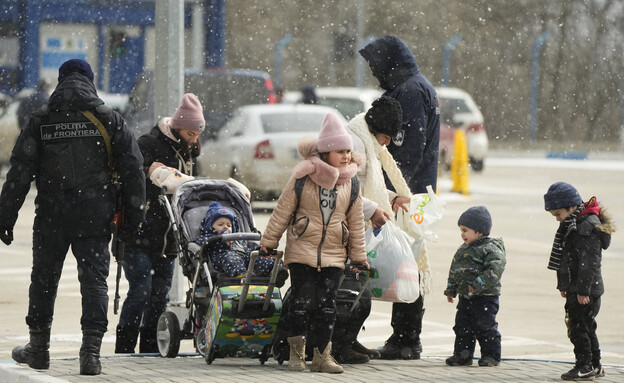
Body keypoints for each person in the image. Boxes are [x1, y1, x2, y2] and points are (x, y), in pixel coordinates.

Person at [0, 59, 145, 375]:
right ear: (90, 82)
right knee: (94, 282)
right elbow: (134, 171)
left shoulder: (41, 120)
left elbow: (20, 172)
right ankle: (90, 355)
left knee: (44, 279)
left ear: (61, 82)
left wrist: (5, 217)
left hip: (52, 215)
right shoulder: (109, 120)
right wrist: (134, 221)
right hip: (95, 217)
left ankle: (38, 349)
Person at [260, 112, 368, 373]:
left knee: (327, 308)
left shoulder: (351, 182)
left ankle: (322, 356)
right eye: (339, 151)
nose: (346, 156)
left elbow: (356, 221)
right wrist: (269, 241)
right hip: (302, 252)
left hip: (333, 254)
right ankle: (297, 354)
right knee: (300, 304)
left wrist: (359, 255)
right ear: (325, 152)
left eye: (348, 151)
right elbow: (283, 210)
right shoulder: (303, 176)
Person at [360, 34, 440, 360]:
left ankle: (407, 339)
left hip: (409, 194)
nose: (374, 72)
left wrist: (396, 192)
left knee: (408, 264)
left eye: (375, 65)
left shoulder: (409, 92)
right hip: (416, 191)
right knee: (410, 262)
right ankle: (405, 338)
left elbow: (408, 149)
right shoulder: (414, 86)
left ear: (389, 63)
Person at [115, 93, 204, 354]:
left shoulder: (189, 152)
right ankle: (124, 348)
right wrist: (154, 177)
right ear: (178, 127)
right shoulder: (149, 143)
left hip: (170, 237)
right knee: (141, 291)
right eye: (191, 133)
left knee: (159, 297)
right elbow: (131, 177)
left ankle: (150, 350)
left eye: (197, 135)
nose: (194, 139)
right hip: (139, 233)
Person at [331, 95, 411, 364]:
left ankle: (347, 340)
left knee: (358, 290)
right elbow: (344, 189)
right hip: (342, 229)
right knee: (356, 293)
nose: (388, 143)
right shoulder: (354, 145)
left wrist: (389, 197)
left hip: (354, 226)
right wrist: (372, 209)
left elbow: (365, 186)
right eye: (386, 136)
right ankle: (339, 345)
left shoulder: (366, 142)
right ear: (376, 129)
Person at [543, 182, 614, 381]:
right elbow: (567, 259)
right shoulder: (572, 224)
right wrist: (565, 286)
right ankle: (595, 365)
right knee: (586, 327)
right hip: (578, 288)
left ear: (572, 207)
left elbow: (589, 263)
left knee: (578, 328)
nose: (557, 219)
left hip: (586, 290)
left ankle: (585, 365)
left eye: (558, 214)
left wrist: (583, 290)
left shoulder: (585, 226)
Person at [443, 206, 506, 367]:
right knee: (463, 327)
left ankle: (491, 355)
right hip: (465, 297)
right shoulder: (463, 249)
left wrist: (479, 284)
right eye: (461, 230)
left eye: (465, 230)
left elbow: (495, 269)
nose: (462, 234)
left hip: (485, 298)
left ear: (479, 231)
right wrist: (451, 288)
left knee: (485, 326)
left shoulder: (490, 248)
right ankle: (462, 355)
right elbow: (455, 270)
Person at [196, 201, 287, 286]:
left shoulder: (237, 239)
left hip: (243, 257)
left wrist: (258, 251)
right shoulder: (209, 238)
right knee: (231, 258)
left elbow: (246, 249)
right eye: (220, 225)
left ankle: (274, 271)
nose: (226, 227)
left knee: (255, 257)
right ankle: (241, 274)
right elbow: (202, 242)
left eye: (229, 225)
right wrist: (219, 239)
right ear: (210, 228)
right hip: (222, 259)